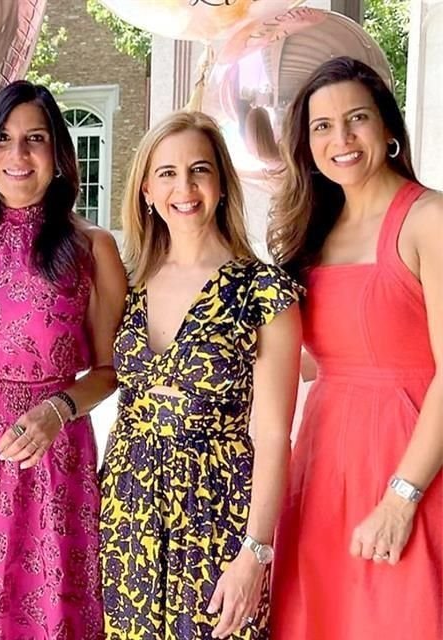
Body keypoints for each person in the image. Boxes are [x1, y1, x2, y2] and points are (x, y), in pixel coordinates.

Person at [0, 80, 127, 639]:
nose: (18, 155)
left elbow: (110, 372)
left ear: (59, 152)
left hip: (48, 460)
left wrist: (58, 408)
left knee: (43, 616)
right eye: (3, 139)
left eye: (35, 138)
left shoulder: (90, 247)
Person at [100, 110, 302, 640]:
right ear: (145, 189)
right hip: (127, 515)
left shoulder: (262, 290)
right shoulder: (129, 282)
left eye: (199, 170)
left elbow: (274, 434)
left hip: (218, 517)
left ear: (220, 183)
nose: (184, 187)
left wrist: (255, 553)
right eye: (166, 173)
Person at [268, 56, 443, 640]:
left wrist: (401, 497)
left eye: (357, 119)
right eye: (321, 126)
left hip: (409, 465)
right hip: (322, 466)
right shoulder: (314, 231)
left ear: (388, 130)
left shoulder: (429, 219)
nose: (340, 138)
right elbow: (323, 359)